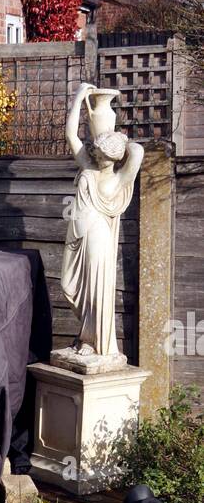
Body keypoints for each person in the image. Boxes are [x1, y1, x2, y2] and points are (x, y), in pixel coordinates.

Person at [60, 82, 144, 360]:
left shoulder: (118, 178)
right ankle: (86, 337)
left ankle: (94, 343)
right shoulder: (87, 165)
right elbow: (70, 133)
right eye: (95, 151)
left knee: (96, 292)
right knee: (69, 286)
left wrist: (117, 139)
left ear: (112, 156)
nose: (94, 154)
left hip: (98, 238)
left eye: (100, 152)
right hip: (77, 235)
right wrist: (78, 98)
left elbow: (139, 152)